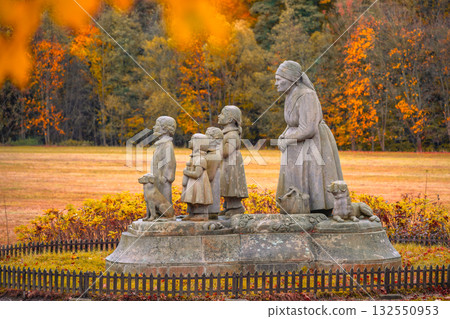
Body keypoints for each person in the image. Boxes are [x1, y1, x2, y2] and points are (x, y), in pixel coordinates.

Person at [275, 60, 343, 213]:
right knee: (296, 182)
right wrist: (283, 135)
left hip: (313, 143)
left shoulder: (307, 95)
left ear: (291, 80)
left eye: (279, 79)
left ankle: (316, 209)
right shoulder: (289, 95)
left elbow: (308, 128)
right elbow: (292, 123)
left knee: (313, 177)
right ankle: (296, 207)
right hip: (297, 144)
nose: (276, 83)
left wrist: (286, 139)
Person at [218, 105, 248, 216]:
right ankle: (229, 206)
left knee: (231, 184)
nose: (219, 116)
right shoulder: (227, 133)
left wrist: (215, 146)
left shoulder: (232, 135)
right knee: (226, 183)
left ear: (230, 119)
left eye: (222, 114)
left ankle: (236, 207)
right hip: (227, 164)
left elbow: (226, 152)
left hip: (232, 164)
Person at [139, 116, 176, 205]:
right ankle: (158, 213)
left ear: (165, 129)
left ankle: (166, 214)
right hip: (157, 176)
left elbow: (170, 162)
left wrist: (166, 177)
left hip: (163, 179)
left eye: (157, 125)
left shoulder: (167, 144)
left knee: (164, 197)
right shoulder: (161, 144)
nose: (154, 127)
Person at [181, 133, 213, 221]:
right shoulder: (194, 157)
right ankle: (192, 213)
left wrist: (186, 172)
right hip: (192, 182)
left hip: (198, 183)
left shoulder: (200, 159)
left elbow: (197, 174)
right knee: (192, 198)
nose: (189, 142)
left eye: (192, 140)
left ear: (198, 144)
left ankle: (201, 214)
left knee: (198, 197)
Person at [205, 127, 223, 218]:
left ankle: (212, 212)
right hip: (213, 181)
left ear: (215, 139)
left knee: (213, 194)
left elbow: (210, 176)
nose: (205, 138)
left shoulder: (214, 155)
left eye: (207, 136)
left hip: (212, 182)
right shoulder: (211, 153)